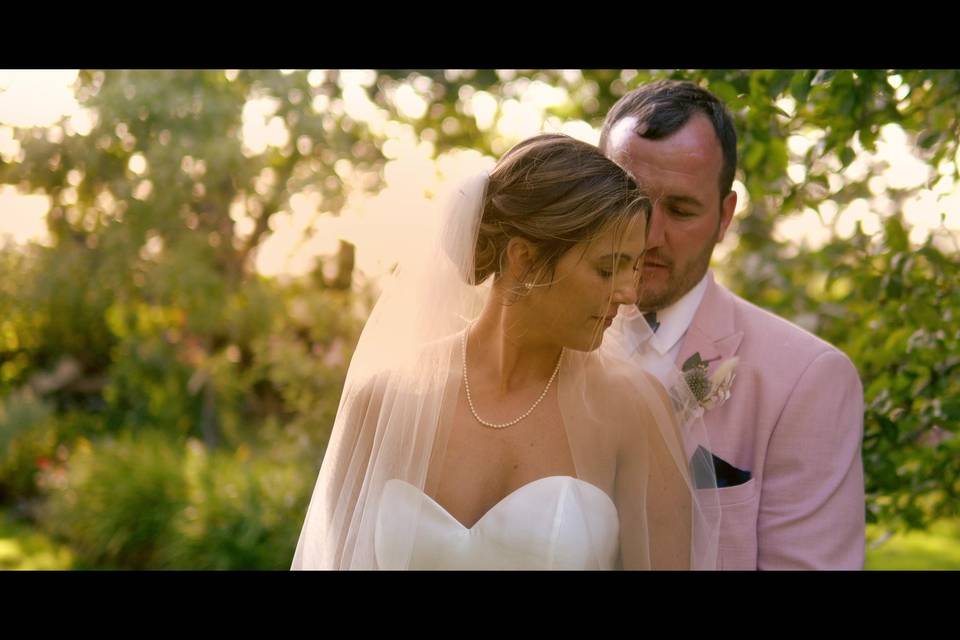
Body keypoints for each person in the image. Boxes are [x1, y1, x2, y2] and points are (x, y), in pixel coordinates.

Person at [291, 133, 721, 570]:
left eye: (632, 267)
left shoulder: (632, 409)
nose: (629, 294)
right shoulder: (383, 401)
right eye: (607, 268)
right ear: (523, 259)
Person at [600, 79, 865, 570]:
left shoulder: (807, 380)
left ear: (724, 217)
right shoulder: (540, 343)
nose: (649, 236)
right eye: (627, 198)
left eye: (680, 210)